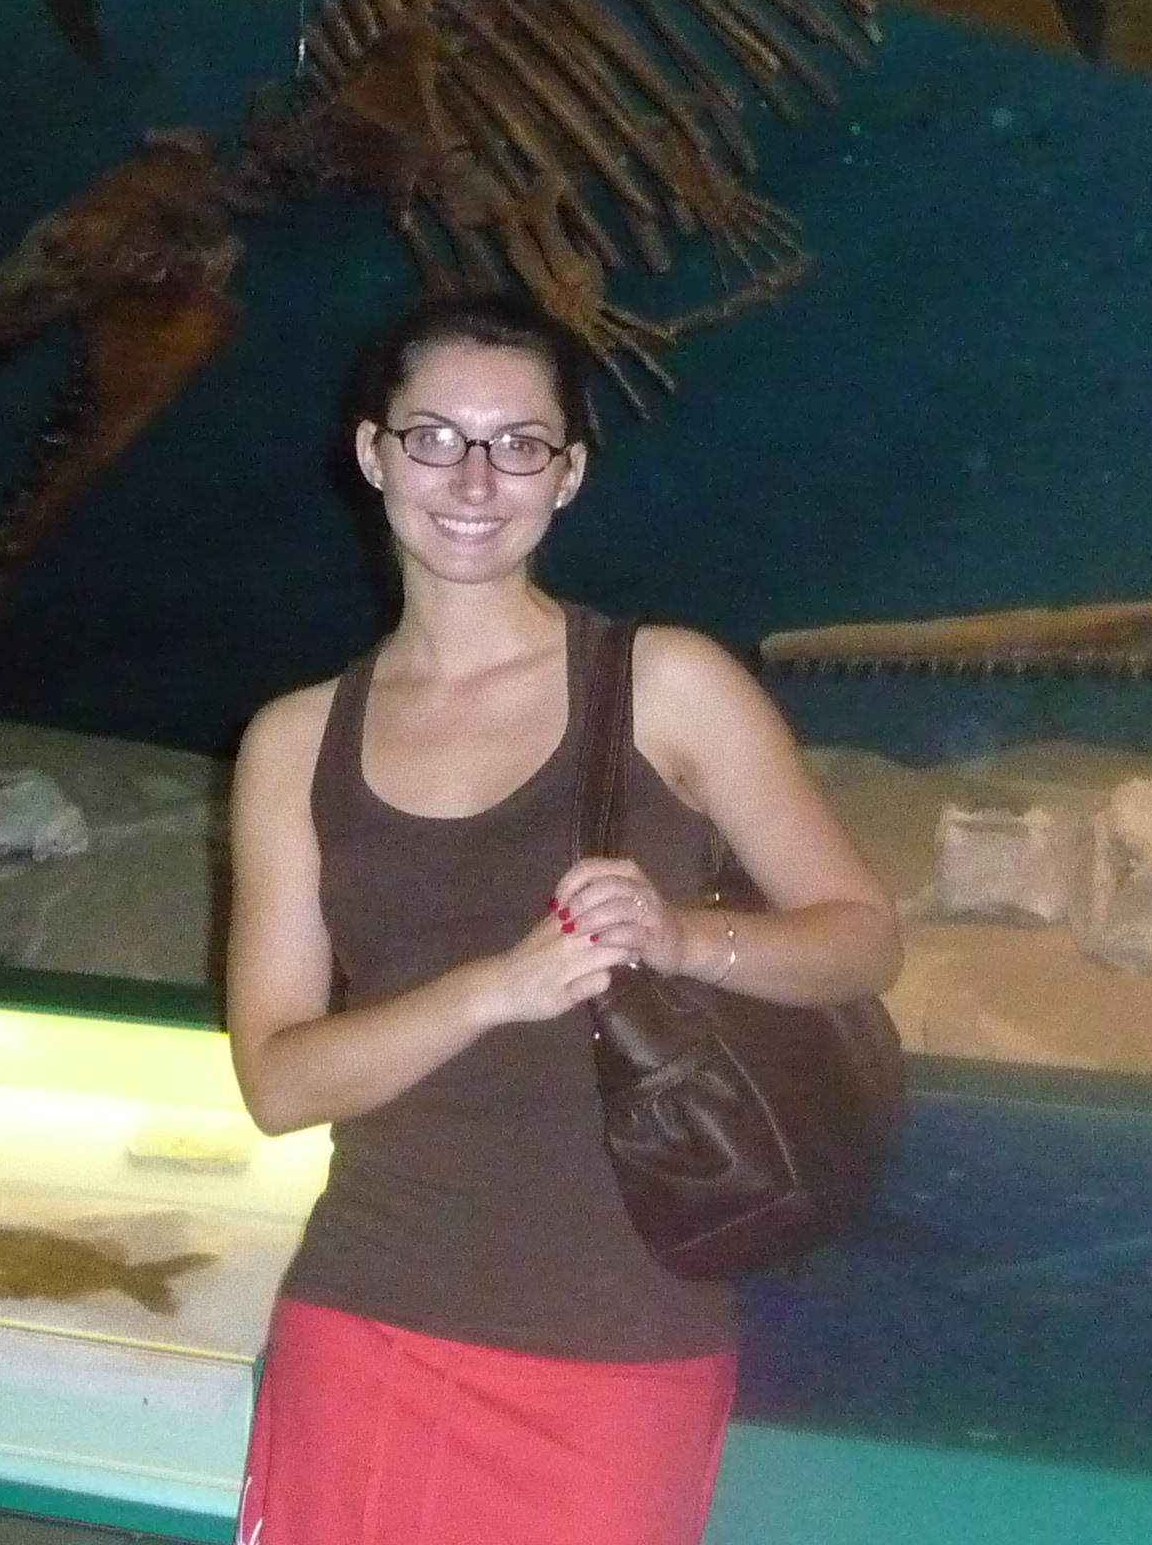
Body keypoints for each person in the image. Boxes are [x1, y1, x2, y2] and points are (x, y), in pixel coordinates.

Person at [226, 289, 904, 1545]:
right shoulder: (293, 741)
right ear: (373, 454)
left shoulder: (668, 684)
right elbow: (278, 1083)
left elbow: (863, 939)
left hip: (619, 1331)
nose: (474, 480)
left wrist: (683, 938)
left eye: (519, 443)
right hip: (369, 1305)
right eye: (435, 437)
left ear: (569, 473)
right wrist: (491, 988)